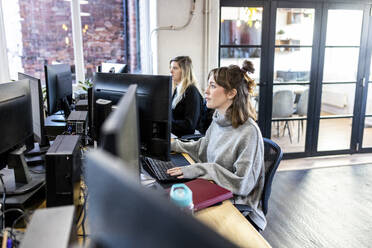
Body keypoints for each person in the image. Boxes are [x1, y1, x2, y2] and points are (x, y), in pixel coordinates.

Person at [167, 60, 266, 231]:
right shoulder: (218, 120)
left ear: (231, 93)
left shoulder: (249, 132)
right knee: (171, 206)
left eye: (212, 86)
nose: (205, 91)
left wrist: (201, 169)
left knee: (183, 223)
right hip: (215, 187)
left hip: (236, 204)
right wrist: (175, 145)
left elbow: (242, 184)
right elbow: (201, 148)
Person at [170, 56, 203, 137]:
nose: (171, 71)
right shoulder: (178, 90)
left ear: (185, 71)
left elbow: (189, 125)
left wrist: (168, 124)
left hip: (188, 138)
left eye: (175, 68)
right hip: (177, 134)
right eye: (170, 67)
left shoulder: (191, 91)